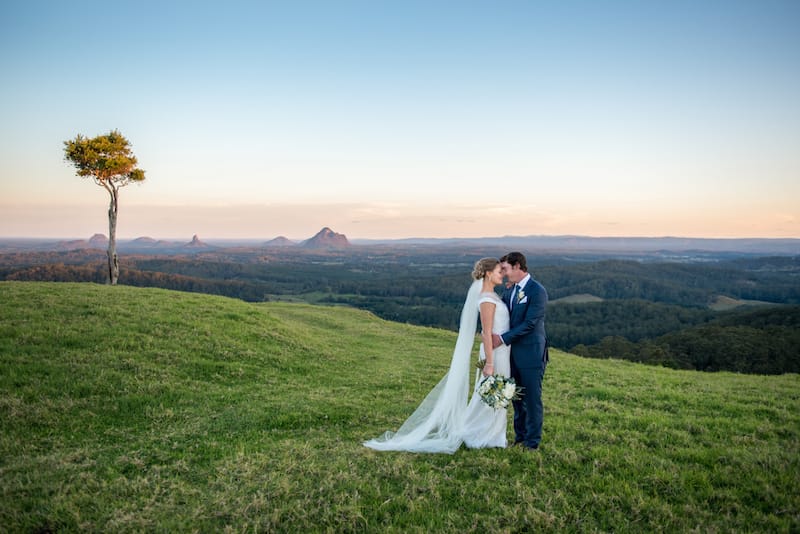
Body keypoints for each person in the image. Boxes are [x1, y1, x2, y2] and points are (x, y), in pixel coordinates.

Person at [363, 258, 511, 453]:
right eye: (499, 271)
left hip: (501, 352)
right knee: (491, 393)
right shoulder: (486, 299)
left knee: (493, 393)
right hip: (495, 354)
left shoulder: (491, 295)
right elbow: (486, 333)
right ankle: (480, 434)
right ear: (488, 274)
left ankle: (488, 432)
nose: (503, 274)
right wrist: (490, 363)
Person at [492, 251, 548, 451]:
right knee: (517, 399)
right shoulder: (510, 290)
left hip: (531, 354)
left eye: (506, 269)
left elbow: (530, 324)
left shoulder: (536, 291)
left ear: (517, 266)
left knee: (532, 399)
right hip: (511, 355)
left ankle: (532, 442)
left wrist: (502, 339)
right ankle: (520, 437)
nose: (504, 273)